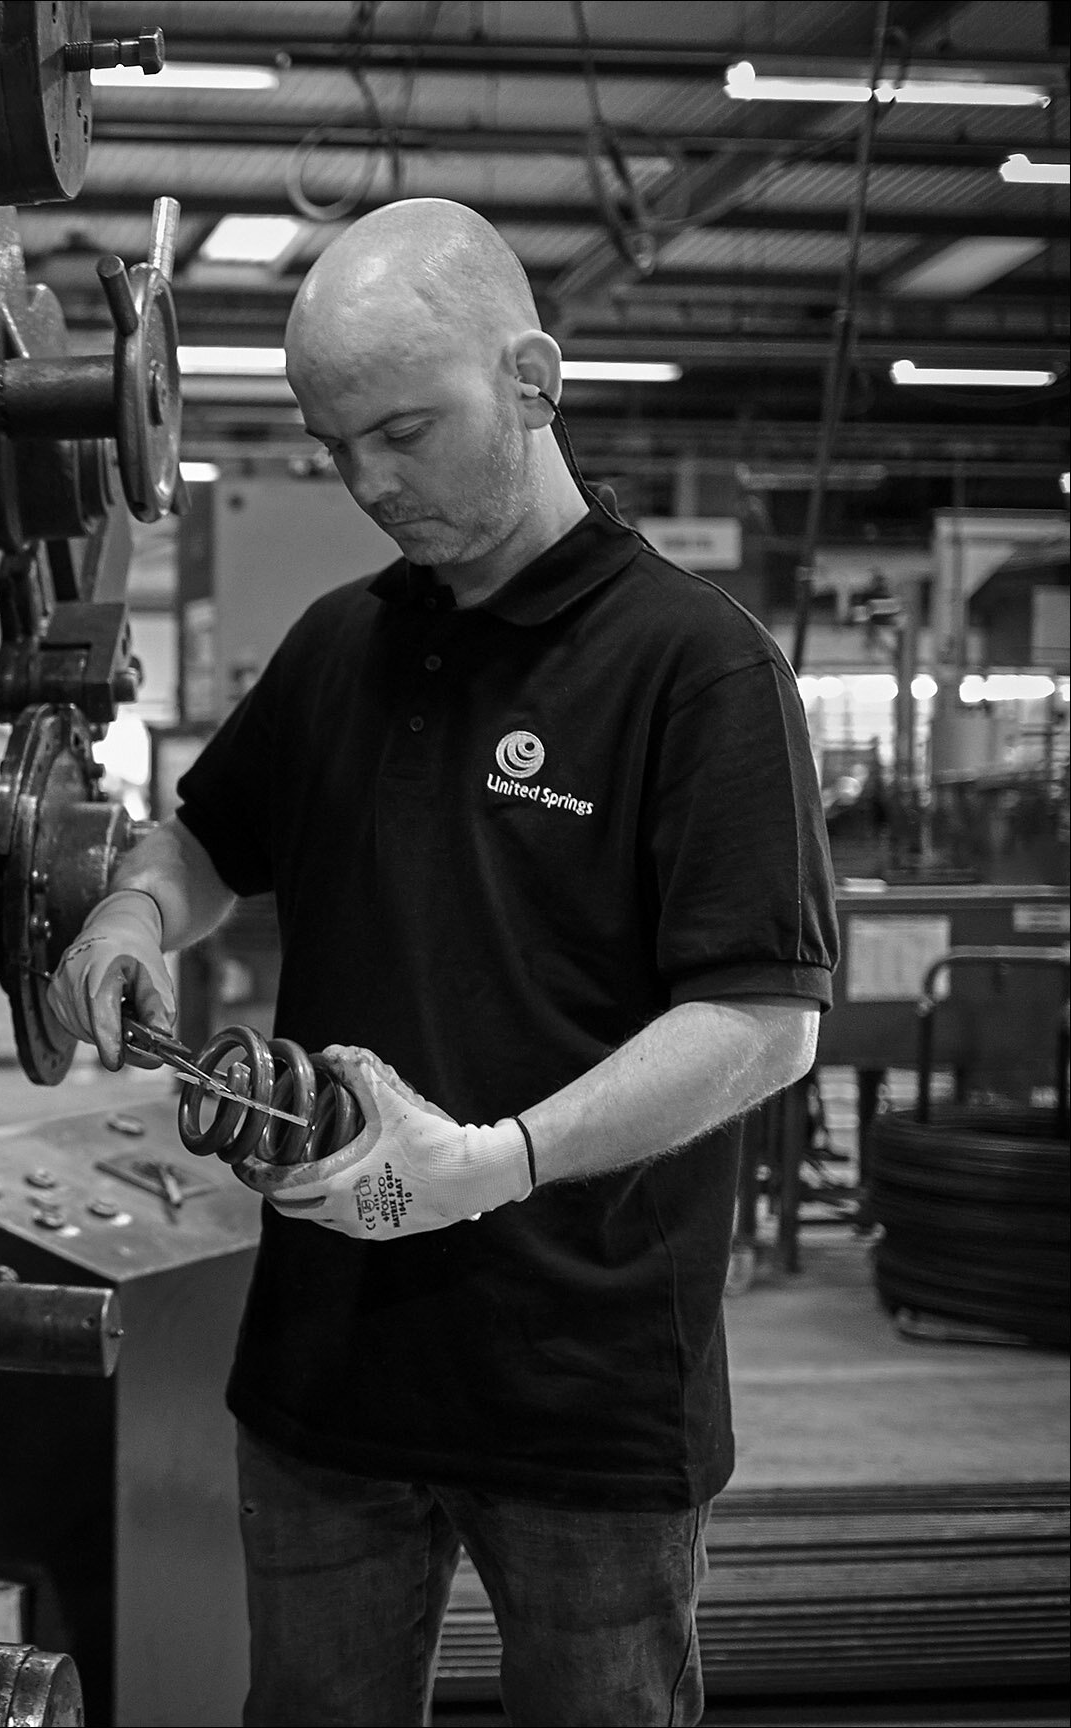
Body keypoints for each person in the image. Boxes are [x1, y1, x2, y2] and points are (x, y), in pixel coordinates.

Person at [45, 199, 837, 1727]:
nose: (368, 484)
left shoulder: (700, 668)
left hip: (583, 1401)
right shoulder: (341, 646)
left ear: (534, 377)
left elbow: (757, 1023)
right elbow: (204, 845)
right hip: (326, 1390)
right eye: (336, 446)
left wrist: (494, 1159)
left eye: (403, 430)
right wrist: (132, 916)